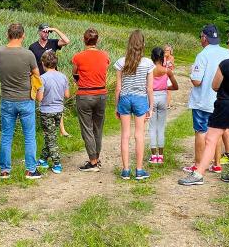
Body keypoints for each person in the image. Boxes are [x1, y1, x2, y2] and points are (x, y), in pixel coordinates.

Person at [178, 29, 229, 186]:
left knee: (211, 139)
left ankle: (198, 174)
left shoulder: (226, 64)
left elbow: (215, 86)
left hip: (226, 104)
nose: (228, 45)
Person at [0, 23, 42, 180]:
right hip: (26, 99)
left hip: (7, 99)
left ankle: (5, 170)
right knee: (29, 135)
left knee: (6, 135)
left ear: (8, 34)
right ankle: (30, 170)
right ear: (23, 35)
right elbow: (36, 74)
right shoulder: (28, 54)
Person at [184, 24, 229, 174]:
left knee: (201, 131)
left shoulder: (202, 55)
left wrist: (191, 74)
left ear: (204, 38)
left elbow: (197, 81)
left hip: (203, 100)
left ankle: (198, 164)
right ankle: (217, 164)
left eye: (201, 37)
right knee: (216, 132)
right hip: (221, 100)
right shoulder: (227, 53)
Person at [114, 30, 155, 181]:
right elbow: (149, 88)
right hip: (140, 99)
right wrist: (150, 107)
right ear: (143, 44)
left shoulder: (121, 62)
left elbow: (118, 87)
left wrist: (116, 106)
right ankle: (139, 170)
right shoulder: (148, 63)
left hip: (124, 99)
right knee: (139, 135)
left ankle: (125, 170)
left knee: (125, 135)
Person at [72, 28, 110, 172]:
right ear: (97, 40)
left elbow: (75, 72)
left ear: (84, 40)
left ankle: (93, 161)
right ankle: (97, 157)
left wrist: (79, 81)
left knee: (87, 128)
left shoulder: (78, 57)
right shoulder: (104, 55)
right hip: (101, 93)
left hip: (85, 94)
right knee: (98, 128)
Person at [29, 23, 71, 137]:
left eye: (47, 31)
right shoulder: (33, 47)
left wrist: (55, 29)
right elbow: (30, 63)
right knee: (40, 102)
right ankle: (43, 128)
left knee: (57, 102)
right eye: (44, 31)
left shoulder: (53, 42)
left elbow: (67, 41)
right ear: (39, 32)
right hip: (40, 78)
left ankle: (62, 130)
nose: (46, 34)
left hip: (53, 77)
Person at [36, 51, 70, 174]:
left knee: (51, 137)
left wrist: (35, 92)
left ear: (43, 64)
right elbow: (67, 95)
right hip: (59, 110)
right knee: (51, 135)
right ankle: (43, 159)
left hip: (46, 111)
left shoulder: (42, 78)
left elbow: (39, 98)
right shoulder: (63, 76)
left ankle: (57, 163)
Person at [148, 47, 179, 164]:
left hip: (151, 97)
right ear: (162, 58)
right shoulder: (167, 71)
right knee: (160, 127)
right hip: (163, 97)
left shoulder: (149, 70)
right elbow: (176, 86)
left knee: (152, 127)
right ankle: (160, 155)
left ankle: (153, 156)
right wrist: (166, 87)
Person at [163, 44, 175, 108]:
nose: (166, 51)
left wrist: (170, 62)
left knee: (168, 90)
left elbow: (173, 67)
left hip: (169, 74)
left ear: (170, 51)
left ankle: (168, 104)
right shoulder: (163, 57)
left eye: (167, 50)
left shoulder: (171, 57)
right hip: (163, 74)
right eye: (165, 50)